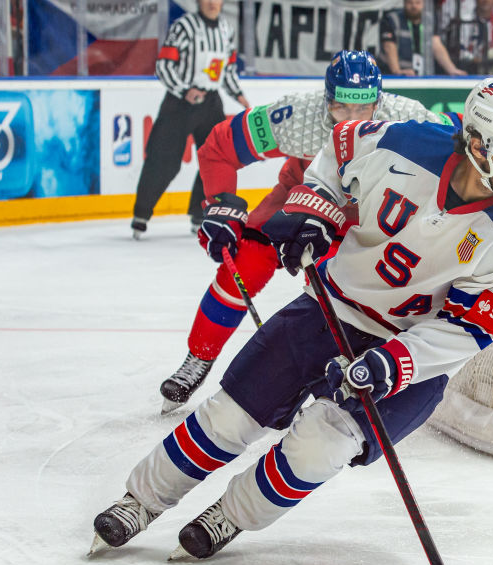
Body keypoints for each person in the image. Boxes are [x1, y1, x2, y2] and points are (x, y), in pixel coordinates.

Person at [90, 76, 493, 560]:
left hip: (409, 354)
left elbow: (469, 330)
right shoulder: (405, 142)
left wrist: (388, 364)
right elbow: (337, 151)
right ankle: (139, 501)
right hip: (330, 307)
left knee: (320, 446)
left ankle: (229, 516)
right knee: (230, 415)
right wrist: (315, 209)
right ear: (479, 143)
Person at [158, 51, 450, 414]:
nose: (353, 121)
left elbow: (461, 149)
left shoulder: (408, 119)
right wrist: (220, 202)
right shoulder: (297, 117)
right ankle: (198, 357)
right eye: (342, 109)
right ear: (327, 101)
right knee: (244, 264)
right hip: (299, 197)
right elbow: (220, 145)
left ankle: (336, 376)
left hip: (360, 217)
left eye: (364, 109)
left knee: (339, 294)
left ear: (379, 100)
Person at [130, 0, 249, 240]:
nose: (212, 2)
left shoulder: (227, 30)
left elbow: (226, 71)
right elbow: (163, 66)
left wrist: (240, 96)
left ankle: (200, 214)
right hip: (179, 103)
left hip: (211, 102)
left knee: (215, 158)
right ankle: (141, 214)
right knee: (163, 160)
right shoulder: (184, 27)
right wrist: (185, 90)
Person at [378, 0, 467, 76]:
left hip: (420, 75)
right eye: (410, 2)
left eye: (418, 2)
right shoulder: (391, 19)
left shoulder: (429, 20)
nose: (414, 6)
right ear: (404, 3)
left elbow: (436, 45)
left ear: (423, 3)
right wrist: (397, 71)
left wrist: (452, 70)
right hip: (393, 77)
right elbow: (389, 47)